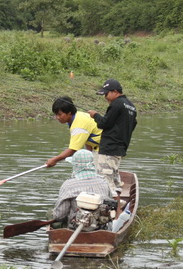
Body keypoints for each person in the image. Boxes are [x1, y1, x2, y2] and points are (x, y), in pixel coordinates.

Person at [88, 79, 137, 210]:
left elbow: (104, 123)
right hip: (119, 148)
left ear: (115, 91)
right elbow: (133, 125)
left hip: (109, 148)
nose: (105, 97)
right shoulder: (131, 106)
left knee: (105, 181)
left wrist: (95, 115)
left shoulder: (117, 104)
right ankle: (119, 208)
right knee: (115, 182)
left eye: (106, 94)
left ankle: (115, 213)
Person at [50, 149, 111, 229]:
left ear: (75, 165)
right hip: (101, 227)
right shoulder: (104, 182)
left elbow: (60, 215)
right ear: (92, 164)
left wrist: (52, 215)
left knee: (51, 215)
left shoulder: (68, 184)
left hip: (75, 228)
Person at [46, 96, 102, 167]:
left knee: (102, 176)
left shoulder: (79, 125)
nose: (57, 117)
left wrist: (55, 160)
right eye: (56, 114)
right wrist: (90, 157)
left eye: (60, 114)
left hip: (107, 149)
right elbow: (87, 139)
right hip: (99, 148)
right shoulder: (77, 116)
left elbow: (73, 149)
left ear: (69, 112)